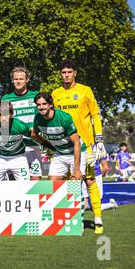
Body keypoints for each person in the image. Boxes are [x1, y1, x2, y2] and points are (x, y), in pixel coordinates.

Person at [51, 59, 107, 234]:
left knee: (89, 180)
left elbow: (95, 114)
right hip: (64, 147)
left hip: (86, 145)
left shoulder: (85, 91)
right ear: (60, 74)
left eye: (69, 72)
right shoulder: (55, 93)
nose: (66, 75)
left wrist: (99, 138)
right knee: (70, 182)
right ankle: (77, 220)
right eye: (63, 72)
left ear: (75, 73)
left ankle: (98, 219)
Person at [31, 93, 85, 182]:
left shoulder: (64, 117)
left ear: (51, 105)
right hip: (60, 153)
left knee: (74, 182)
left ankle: (83, 195)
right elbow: (34, 135)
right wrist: (50, 146)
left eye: (44, 104)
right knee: (52, 184)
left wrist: (76, 169)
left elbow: (77, 142)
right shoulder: (37, 118)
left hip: (76, 152)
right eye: (38, 104)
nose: (41, 107)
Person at [2, 67, 42, 179]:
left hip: (32, 145)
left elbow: (42, 117)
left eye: (21, 78)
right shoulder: (6, 98)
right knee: (14, 181)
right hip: (15, 147)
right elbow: (4, 124)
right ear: (12, 80)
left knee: (35, 179)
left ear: (27, 80)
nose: (18, 81)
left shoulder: (36, 96)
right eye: (16, 79)